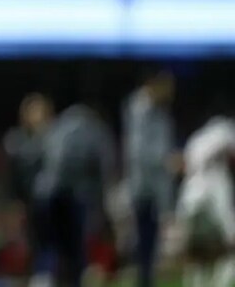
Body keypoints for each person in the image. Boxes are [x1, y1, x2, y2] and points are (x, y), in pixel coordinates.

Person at [33, 102, 117, 287]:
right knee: (74, 251)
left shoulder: (59, 127)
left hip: (44, 196)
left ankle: (43, 280)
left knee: (50, 246)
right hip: (75, 197)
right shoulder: (96, 131)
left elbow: (42, 160)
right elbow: (105, 166)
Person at [122, 70, 179, 287]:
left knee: (150, 242)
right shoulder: (140, 111)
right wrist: (166, 159)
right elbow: (139, 152)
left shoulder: (156, 111)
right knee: (145, 242)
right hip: (143, 188)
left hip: (153, 188)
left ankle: (146, 279)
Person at [176, 109, 235, 287]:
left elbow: (184, 165)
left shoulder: (196, 137)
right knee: (229, 240)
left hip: (191, 189)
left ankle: (195, 282)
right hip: (215, 184)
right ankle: (221, 281)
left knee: (196, 248)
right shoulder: (226, 128)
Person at [3, 93, 54, 275]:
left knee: (47, 242)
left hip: (49, 201)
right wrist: (16, 202)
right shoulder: (16, 140)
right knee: (31, 242)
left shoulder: (54, 139)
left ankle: (45, 277)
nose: (33, 116)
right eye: (30, 111)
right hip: (28, 200)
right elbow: (13, 175)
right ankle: (35, 275)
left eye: (37, 111)